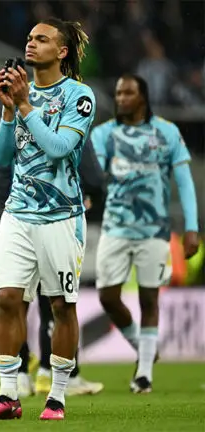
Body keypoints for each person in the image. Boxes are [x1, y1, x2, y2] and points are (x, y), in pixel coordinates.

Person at [0, 17, 96, 422]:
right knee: (7, 299)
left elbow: (59, 149)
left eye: (41, 39)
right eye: (29, 37)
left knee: (61, 305)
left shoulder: (79, 96)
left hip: (60, 216)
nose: (31, 43)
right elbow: (2, 159)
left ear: (61, 51)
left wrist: (25, 105)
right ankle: (8, 394)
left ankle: (57, 396)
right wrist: (9, 112)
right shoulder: (19, 96)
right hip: (17, 213)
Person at [91, 74, 200, 394]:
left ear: (143, 97)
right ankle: (143, 345)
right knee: (107, 297)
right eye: (118, 92)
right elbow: (94, 174)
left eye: (128, 92)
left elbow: (184, 182)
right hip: (115, 227)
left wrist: (191, 227)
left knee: (149, 297)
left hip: (155, 230)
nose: (121, 97)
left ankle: (145, 373)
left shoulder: (166, 132)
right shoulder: (105, 134)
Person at [0, 141, 105, 398]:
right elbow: (94, 179)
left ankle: (26, 376)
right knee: (52, 305)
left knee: (17, 303)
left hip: (12, 222)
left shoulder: (17, 124)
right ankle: (45, 374)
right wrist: (93, 200)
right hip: (49, 221)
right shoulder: (64, 125)